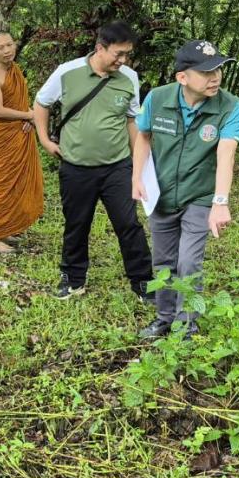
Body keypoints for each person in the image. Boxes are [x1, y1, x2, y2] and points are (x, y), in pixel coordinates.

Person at [132, 40, 239, 339]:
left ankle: (186, 324)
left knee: (189, 261)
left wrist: (220, 202)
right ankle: (164, 318)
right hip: (162, 194)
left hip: (200, 196)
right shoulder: (157, 99)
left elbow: (226, 154)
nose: (216, 77)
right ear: (182, 77)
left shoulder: (231, 107)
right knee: (164, 262)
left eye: (218, 68)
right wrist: (137, 177)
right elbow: (143, 136)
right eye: (206, 71)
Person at [32, 22, 154, 300]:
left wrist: (139, 162)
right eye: (118, 54)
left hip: (117, 166)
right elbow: (41, 103)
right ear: (100, 48)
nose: (122, 61)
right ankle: (73, 278)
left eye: (127, 55)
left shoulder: (129, 77)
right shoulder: (67, 72)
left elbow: (132, 119)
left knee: (128, 224)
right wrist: (45, 140)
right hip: (76, 167)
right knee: (77, 223)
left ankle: (143, 281)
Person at [0, 30, 44, 252]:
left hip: (20, 133)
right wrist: (29, 115)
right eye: (1, 47)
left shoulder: (15, 70)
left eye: (10, 45)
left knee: (15, 184)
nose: (7, 51)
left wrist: (28, 117)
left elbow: (18, 105)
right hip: (2, 137)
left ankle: (6, 229)